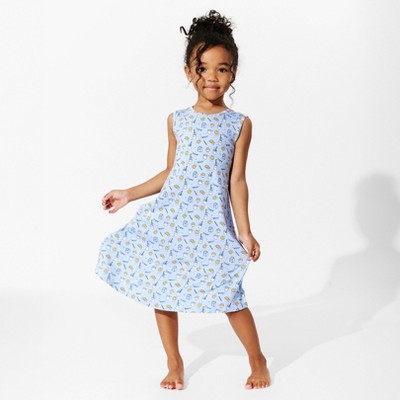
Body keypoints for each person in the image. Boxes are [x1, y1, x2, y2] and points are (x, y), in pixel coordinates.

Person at [95, 9, 271, 390]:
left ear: (233, 73)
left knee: (229, 292)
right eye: (202, 68)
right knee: (162, 286)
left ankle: (257, 359)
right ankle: (174, 362)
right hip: (172, 220)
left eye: (221, 69)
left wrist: (245, 231)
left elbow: (237, 181)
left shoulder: (238, 124)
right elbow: (171, 173)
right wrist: (128, 194)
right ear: (189, 72)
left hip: (210, 224)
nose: (212, 77)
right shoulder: (177, 120)